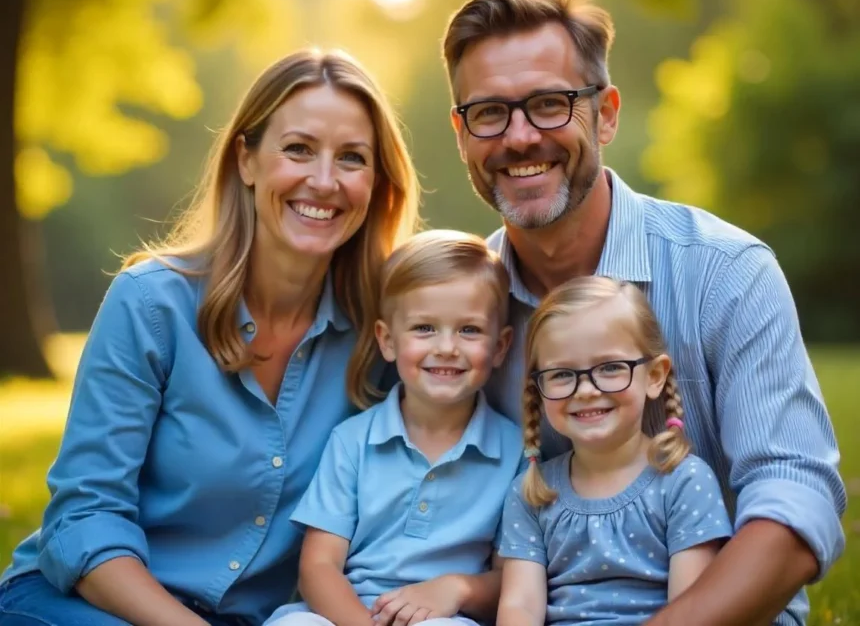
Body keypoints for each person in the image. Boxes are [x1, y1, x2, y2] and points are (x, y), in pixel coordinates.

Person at [440, 0, 846, 626]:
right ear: (462, 133)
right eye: (489, 113)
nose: (519, 138)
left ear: (605, 114)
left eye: (550, 104)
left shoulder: (725, 271)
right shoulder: (452, 314)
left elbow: (796, 500)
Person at [0, 48, 420, 626]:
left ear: (377, 182)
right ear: (246, 161)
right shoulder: (152, 303)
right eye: (298, 149)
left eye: (352, 158)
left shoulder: (385, 337)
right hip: (89, 605)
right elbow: (83, 517)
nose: (324, 182)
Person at [262, 229, 524, 626]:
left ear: (501, 347)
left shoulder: (517, 451)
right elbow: (318, 568)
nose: (447, 347)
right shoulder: (352, 440)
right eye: (424, 328)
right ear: (387, 341)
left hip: (443, 616)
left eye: (469, 330)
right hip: (349, 612)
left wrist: (458, 588)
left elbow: (514, 580)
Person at [496, 275, 734, 625]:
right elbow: (520, 607)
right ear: (539, 387)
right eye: (562, 374)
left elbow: (690, 606)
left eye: (610, 368)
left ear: (654, 376)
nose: (587, 389)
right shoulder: (533, 493)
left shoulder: (683, 481)